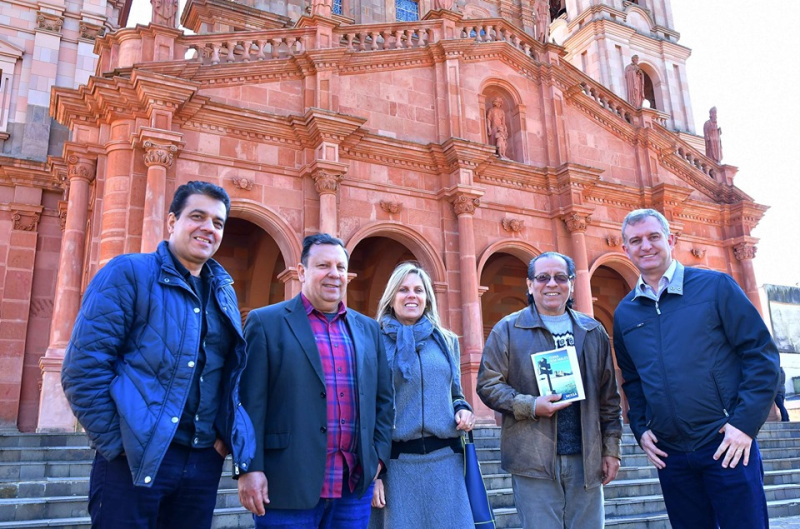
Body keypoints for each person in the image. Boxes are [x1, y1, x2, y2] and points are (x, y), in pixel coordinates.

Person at [61, 181, 255, 529]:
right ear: (171, 222)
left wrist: (224, 439)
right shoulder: (129, 273)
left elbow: (230, 374)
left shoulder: (222, 292)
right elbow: (84, 368)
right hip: (133, 462)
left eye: (217, 222)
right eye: (197, 216)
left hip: (201, 462)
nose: (207, 228)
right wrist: (120, 445)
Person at [613, 208, 780, 529]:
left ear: (670, 240)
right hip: (671, 454)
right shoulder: (625, 313)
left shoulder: (715, 287)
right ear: (626, 250)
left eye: (653, 237)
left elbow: (760, 354)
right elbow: (632, 379)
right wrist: (640, 426)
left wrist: (744, 424)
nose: (645, 246)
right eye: (635, 241)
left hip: (727, 444)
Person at [237, 233, 393, 529]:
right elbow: (249, 403)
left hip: (352, 487)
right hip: (286, 487)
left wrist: (379, 459)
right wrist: (249, 468)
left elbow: (384, 401)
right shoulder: (266, 322)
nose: (334, 274)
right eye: (323, 265)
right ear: (302, 271)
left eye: (340, 267)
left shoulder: (369, 330)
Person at [477, 252, 622, 529]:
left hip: (586, 459)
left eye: (560, 277)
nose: (551, 284)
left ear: (571, 283)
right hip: (533, 460)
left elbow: (609, 399)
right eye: (543, 278)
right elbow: (488, 384)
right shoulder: (508, 329)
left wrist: (611, 449)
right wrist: (529, 405)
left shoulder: (593, 331)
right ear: (530, 285)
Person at [369, 262, 476, 529]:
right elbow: (366, 410)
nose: (411, 295)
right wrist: (374, 475)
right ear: (391, 298)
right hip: (397, 466)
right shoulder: (374, 342)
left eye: (418, 289)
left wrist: (462, 409)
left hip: (446, 464)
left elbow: (456, 394)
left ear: (427, 297)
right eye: (403, 290)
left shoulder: (446, 340)